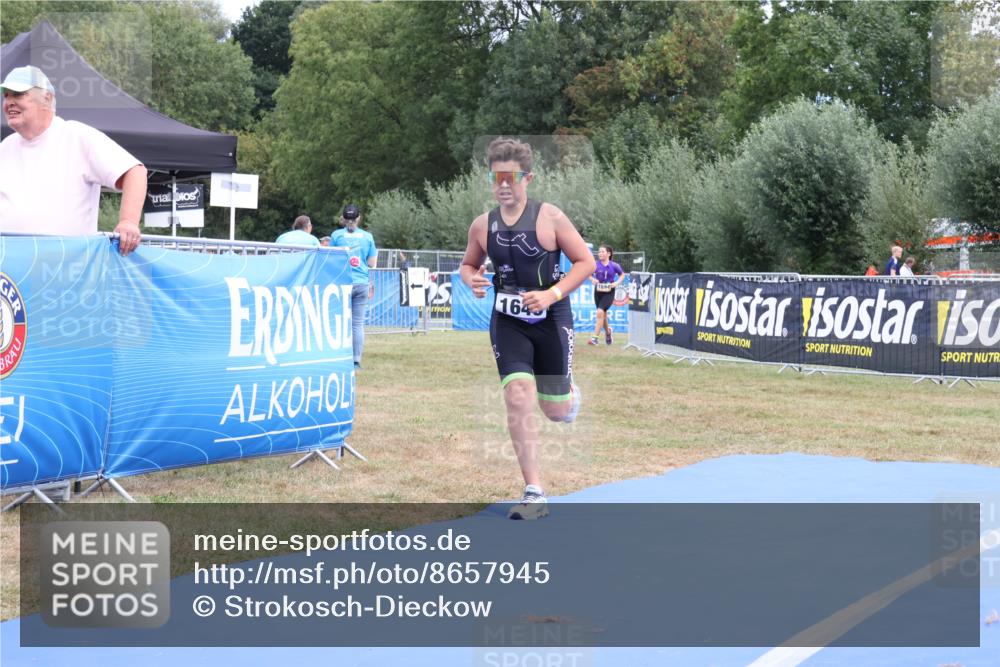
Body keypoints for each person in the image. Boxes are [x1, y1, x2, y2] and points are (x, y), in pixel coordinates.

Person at [460, 137, 595, 520]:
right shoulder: (482, 226)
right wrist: (471, 278)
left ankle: (567, 394)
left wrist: (552, 294)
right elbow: (468, 265)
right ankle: (534, 492)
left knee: (555, 411)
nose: (503, 185)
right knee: (518, 396)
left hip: (552, 319)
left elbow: (585, 263)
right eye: (496, 177)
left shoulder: (550, 217)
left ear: (527, 178)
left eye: (511, 177)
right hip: (508, 322)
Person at [0, 66, 146, 255]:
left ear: (47, 98)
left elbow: (135, 171)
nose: (9, 102)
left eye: (18, 95)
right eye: (6, 96)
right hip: (13, 271)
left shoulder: (76, 136)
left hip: (67, 269)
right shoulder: (5, 147)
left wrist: (128, 222)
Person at [330, 204, 377, 369]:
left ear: (343, 219)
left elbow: (331, 260)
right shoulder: (367, 237)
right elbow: (372, 263)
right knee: (357, 324)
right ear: (358, 218)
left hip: (342, 283)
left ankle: (338, 357)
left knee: (339, 321)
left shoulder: (336, 236)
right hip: (361, 282)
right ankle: (356, 361)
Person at [588, 245, 624, 346]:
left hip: (609, 292)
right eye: (599, 252)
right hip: (598, 292)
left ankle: (595, 338)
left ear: (608, 254)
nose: (600, 253)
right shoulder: (595, 265)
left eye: (602, 252)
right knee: (602, 314)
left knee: (600, 312)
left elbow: (622, 275)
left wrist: (616, 283)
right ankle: (608, 333)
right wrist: (592, 279)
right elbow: (588, 273)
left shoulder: (614, 265)